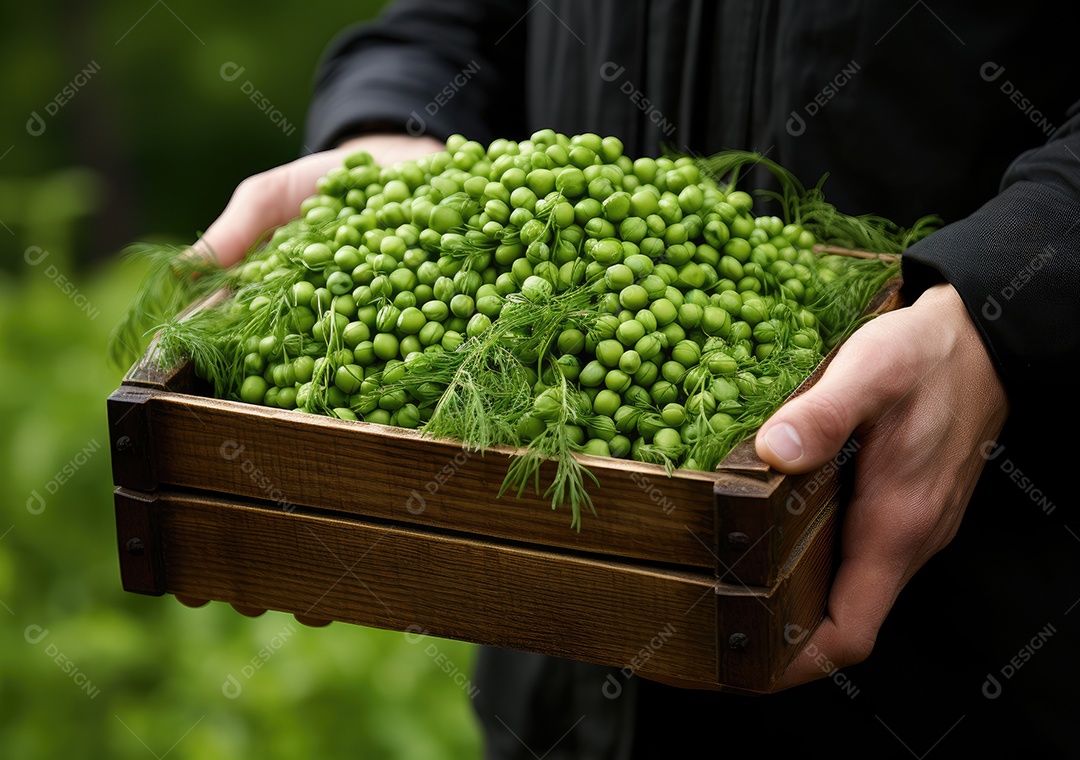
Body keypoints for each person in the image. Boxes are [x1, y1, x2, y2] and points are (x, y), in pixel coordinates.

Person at [193, 2, 1079, 756]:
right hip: (558, 666)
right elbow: (458, 18)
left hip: (976, 642)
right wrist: (388, 119)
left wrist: (1005, 297)